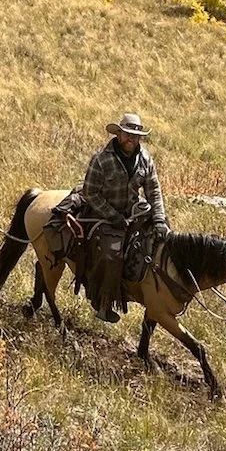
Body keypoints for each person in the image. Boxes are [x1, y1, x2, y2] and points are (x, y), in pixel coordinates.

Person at [60, 113, 167, 323]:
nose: (131, 139)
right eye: (128, 134)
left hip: (133, 213)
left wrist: (160, 219)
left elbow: (153, 190)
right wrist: (114, 216)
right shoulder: (102, 159)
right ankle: (103, 301)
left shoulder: (145, 159)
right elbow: (91, 194)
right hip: (103, 215)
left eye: (136, 136)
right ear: (118, 133)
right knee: (112, 255)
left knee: (160, 242)